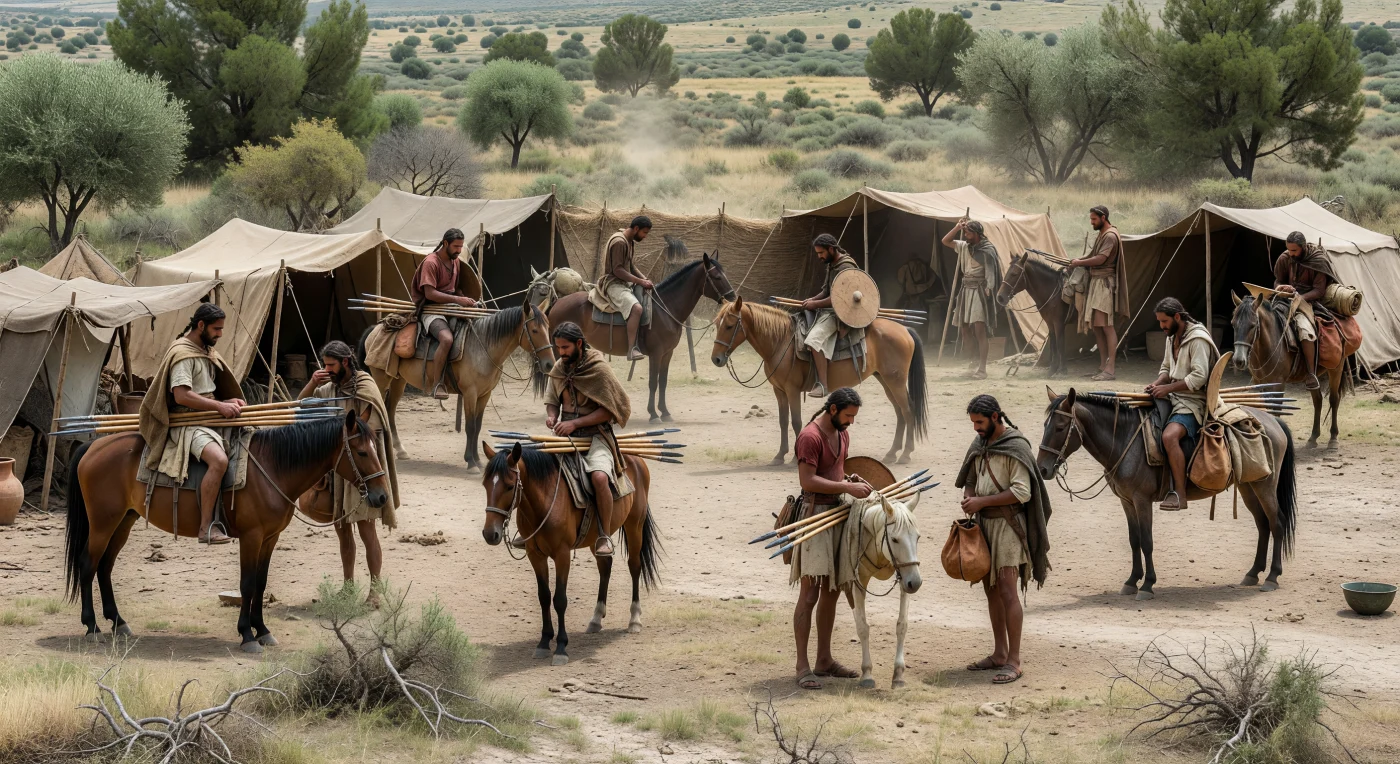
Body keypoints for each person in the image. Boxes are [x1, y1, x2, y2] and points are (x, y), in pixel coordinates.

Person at [954, 394, 1052, 686]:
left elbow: (1022, 493)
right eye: (973, 422)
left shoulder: (1016, 446)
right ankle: (999, 653)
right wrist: (970, 495)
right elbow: (970, 476)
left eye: (980, 422)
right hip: (984, 526)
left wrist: (981, 502)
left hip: (1008, 527)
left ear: (996, 417)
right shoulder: (980, 443)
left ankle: (1014, 661)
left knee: (1008, 591)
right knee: (991, 590)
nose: (976, 428)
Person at [138, 302, 245, 545]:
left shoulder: (204, 349)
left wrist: (226, 400)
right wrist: (219, 407)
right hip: (186, 424)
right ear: (200, 325)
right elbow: (182, 395)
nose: (220, 334)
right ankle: (206, 527)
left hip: (205, 417)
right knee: (218, 461)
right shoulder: (182, 354)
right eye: (216, 329)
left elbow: (204, 393)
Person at [298, 341, 399, 597]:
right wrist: (312, 381)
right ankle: (348, 587)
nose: (327, 369)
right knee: (343, 532)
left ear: (345, 362)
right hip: (337, 468)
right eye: (324, 365)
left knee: (367, 530)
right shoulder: (329, 388)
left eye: (331, 365)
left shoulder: (365, 385)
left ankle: (376, 592)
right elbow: (300, 405)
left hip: (360, 471)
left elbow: (371, 430)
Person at [791, 387, 872, 691]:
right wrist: (846, 489)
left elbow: (836, 472)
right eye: (849, 415)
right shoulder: (810, 437)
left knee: (832, 591)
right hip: (815, 517)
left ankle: (824, 659)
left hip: (838, 516)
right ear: (834, 409)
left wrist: (849, 481)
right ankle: (802, 666)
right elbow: (807, 480)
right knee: (810, 593)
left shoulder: (842, 433)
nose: (851, 421)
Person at [545, 321, 633, 557]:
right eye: (558, 348)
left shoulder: (599, 369)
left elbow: (610, 410)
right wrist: (552, 417)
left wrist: (575, 422)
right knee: (537, 471)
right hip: (565, 438)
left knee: (600, 477)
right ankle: (536, 529)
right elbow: (552, 400)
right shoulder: (559, 367)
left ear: (579, 344)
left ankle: (603, 535)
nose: (560, 353)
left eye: (565, 348)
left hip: (597, 438)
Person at [1146, 297, 1219, 511]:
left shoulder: (1197, 339)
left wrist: (1167, 388)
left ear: (1177, 317)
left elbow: (1199, 378)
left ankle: (1180, 494)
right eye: (1159, 322)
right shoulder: (1171, 336)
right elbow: (1166, 368)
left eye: (1164, 322)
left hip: (1193, 402)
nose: (1161, 327)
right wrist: (1156, 384)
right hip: (1174, 397)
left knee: (1169, 436)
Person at [411, 228, 480, 400]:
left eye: (461, 247)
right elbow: (430, 294)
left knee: (477, 325)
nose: (459, 250)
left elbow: (454, 289)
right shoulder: (431, 262)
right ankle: (437, 383)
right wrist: (457, 301)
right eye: (456, 246)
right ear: (446, 243)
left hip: (450, 308)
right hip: (431, 311)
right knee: (447, 339)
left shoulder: (455, 261)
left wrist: (466, 300)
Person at [1068, 206, 1130, 381]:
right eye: (1091, 219)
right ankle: (1102, 365)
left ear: (1103, 217)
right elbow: (1093, 257)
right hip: (1096, 284)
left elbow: (1101, 259)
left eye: (1094, 219)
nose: (1092, 222)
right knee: (1097, 327)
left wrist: (1080, 262)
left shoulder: (1110, 235)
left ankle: (1110, 369)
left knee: (1107, 327)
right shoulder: (1102, 234)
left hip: (1104, 284)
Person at [1273, 231, 1339, 390]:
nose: (1291, 253)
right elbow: (1278, 281)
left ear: (1303, 247)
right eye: (1288, 249)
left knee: (1304, 328)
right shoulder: (1284, 258)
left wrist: (1299, 297)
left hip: (1308, 301)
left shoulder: (1317, 260)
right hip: (1284, 298)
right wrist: (1280, 288)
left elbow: (1319, 290)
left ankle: (1311, 373)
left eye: (1294, 250)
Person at [799, 234, 862, 397]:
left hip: (842, 313)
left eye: (821, 253)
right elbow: (827, 291)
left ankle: (823, 385)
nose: (819, 257)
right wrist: (811, 300)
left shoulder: (845, 267)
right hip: (832, 308)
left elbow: (839, 299)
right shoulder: (832, 264)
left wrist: (816, 304)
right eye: (818, 253)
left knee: (813, 340)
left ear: (831, 249)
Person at [941, 219, 1001, 380]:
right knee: (965, 329)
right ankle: (973, 361)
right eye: (965, 232)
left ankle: (982, 368)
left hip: (980, 291)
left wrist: (990, 288)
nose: (965, 235)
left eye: (968, 232)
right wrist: (957, 227)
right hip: (966, 290)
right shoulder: (964, 246)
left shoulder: (988, 249)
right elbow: (945, 241)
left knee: (980, 330)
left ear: (976, 234)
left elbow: (991, 271)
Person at [595, 216, 655, 362]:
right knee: (637, 309)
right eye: (644, 233)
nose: (645, 236)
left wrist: (644, 279)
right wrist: (640, 281)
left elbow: (631, 266)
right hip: (613, 284)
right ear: (636, 229)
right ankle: (631, 349)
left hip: (623, 283)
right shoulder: (619, 242)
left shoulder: (629, 241)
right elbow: (618, 270)